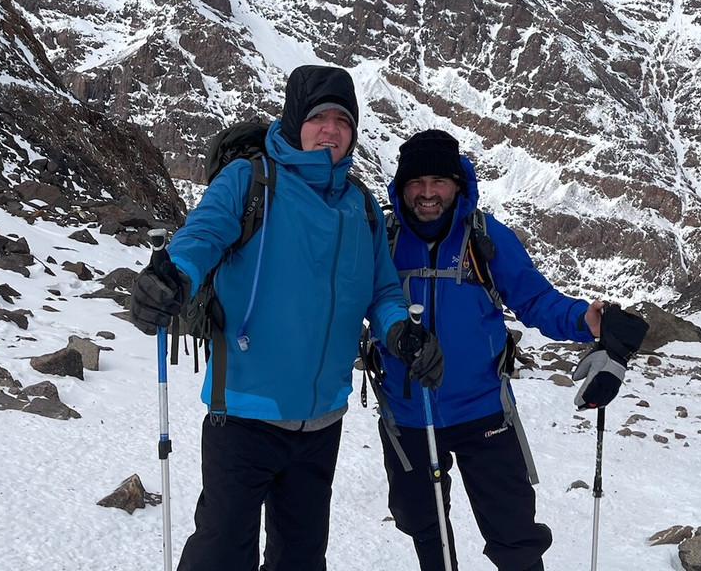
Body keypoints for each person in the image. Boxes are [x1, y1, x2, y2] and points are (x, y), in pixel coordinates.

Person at [128, 65, 444, 571]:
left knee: (299, 559)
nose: (331, 129)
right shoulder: (251, 180)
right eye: (320, 117)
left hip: (321, 422)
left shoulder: (360, 206)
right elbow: (203, 235)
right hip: (245, 415)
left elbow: (382, 290)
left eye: (343, 120)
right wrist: (174, 276)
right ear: (295, 120)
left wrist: (400, 331)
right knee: (220, 554)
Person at [370, 129, 615, 571]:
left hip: (483, 409)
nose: (427, 194)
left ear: (457, 186)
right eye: (416, 183)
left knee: (514, 532)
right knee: (425, 527)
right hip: (407, 413)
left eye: (438, 182)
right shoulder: (381, 240)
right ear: (401, 187)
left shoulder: (483, 237)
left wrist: (586, 320)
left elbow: (536, 299)